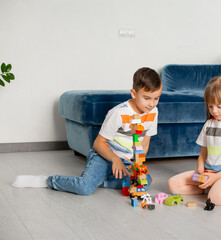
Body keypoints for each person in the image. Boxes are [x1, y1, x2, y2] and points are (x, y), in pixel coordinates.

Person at [12, 67, 162, 195]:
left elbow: (145, 141)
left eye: (156, 98)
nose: (152, 104)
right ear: (134, 94)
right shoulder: (119, 113)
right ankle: (47, 180)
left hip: (126, 161)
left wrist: (138, 164)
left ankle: (99, 181)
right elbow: (98, 144)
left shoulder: (153, 112)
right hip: (104, 155)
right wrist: (115, 159)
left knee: (145, 182)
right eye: (147, 98)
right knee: (84, 188)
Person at [168, 76, 221, 206]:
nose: (214, 111)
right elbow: (203, 153)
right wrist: (200, 169)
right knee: (173, 184)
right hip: (208, 173)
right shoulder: (209, 124)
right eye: (210, 106)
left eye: (219, 106)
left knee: (214, 199)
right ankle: (208, 188)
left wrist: (217, 178)